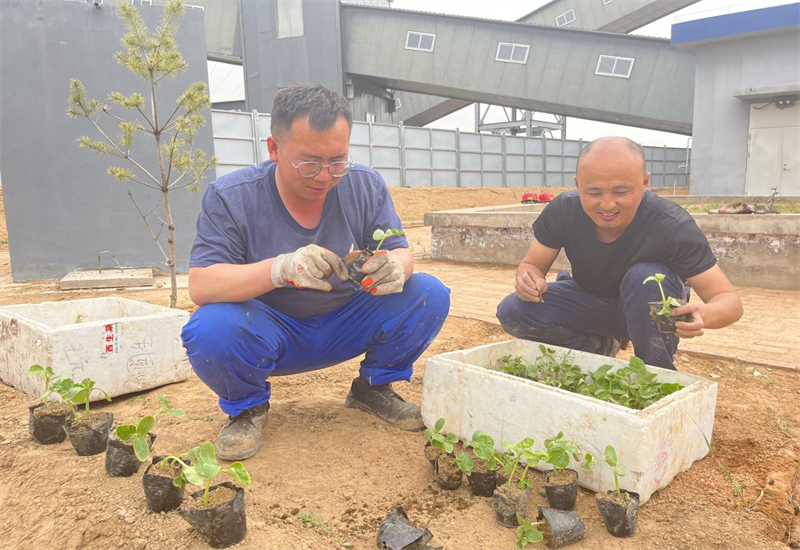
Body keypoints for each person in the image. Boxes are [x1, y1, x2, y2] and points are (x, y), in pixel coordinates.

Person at [181, 84, 450, 460]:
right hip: (271, 331)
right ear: (274, 149)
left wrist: (396, 266)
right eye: (309, 163)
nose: (325, 176)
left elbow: (400, 251)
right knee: (212, 327)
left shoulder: (364, 184)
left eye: (338, 161)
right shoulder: (232, 196)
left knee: (427, 293)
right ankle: (247, 408)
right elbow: (202, 284)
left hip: (346, 322)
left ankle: (373, 389)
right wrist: (280, 268)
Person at [496, 137, 743, 370]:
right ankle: (597, 349)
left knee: (645, 277)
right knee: (514, 310)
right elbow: (532, 264)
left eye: (621, 192)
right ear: (578, 184)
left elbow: (729, 302)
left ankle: (654, 375)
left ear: (645, 182)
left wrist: (704, 314)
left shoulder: (672, 226)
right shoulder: (563, 211)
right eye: (594, 193)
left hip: (647, 312)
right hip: (588, 302)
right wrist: (529, 280)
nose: (607, 205)